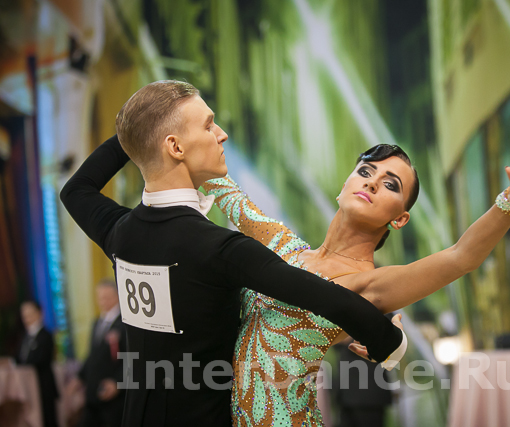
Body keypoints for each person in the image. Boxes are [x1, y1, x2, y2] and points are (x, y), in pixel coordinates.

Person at [60, 80, 406, 427]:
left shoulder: (120, 233)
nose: (221, 134)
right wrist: (389, 340)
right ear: (175, 146)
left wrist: (140, 131)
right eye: (209, 125)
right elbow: (323, 295)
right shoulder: (218, 248)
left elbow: (75, 190)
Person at [202, 134, 510, 426]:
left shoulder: (370, 284)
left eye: (390, 184)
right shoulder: (283, 247)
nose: (372, 182)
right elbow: (223, 188)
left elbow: (461, 257)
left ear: (400, 219)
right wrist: (203, 130)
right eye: (365, 171)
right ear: (343, 186)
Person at [74, 279, 126, 427]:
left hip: (113, 394)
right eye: (100, 297)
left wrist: (118, 382)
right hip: (93, 391)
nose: (103, 301)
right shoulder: (97, 322)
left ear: (117, 296)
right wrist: (79, 377)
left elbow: (132, 356)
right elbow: (93, 354)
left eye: (107, 297)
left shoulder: (125, 323)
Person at [16, 301, 59, 427]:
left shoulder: (46, 335)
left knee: (48, 419)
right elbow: (19, 358)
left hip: (43, 386)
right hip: (28, 386)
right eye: (24, 316)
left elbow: (41, 359)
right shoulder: (25, 337)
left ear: (39, 313)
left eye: (30, 314)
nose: (27, 319)